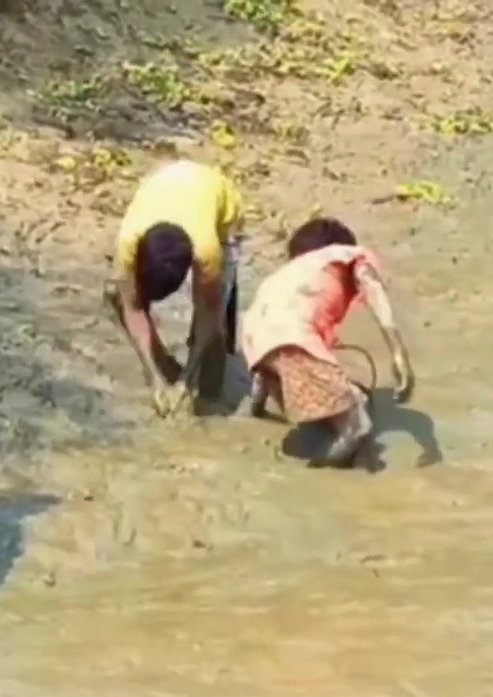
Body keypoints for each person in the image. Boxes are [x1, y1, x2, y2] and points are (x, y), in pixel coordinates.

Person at [240, 216, 415, 467]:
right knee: (358, 422)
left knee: (291, 364)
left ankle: (263, 395)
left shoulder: (285, 274)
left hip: (254, 339)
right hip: (294, 338)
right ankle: (324, 469)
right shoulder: (350, 255)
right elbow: (375, 293)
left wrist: (258, 406)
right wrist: (399, 354)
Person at [104, 159, 245, 417]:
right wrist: (154, 377)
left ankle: (208, 394)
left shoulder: (207, 249)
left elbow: (208, 312)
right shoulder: (128, 243)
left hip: (219, 200)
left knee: (216, 318)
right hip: (166, 182)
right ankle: (163, 366)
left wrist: (187, 380)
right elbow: (133, 307)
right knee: (117, 295)